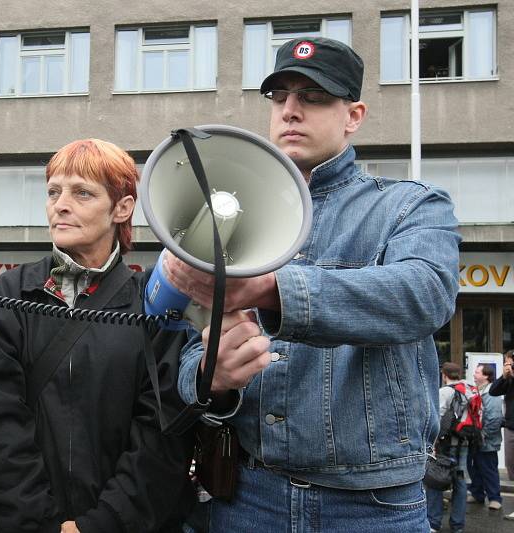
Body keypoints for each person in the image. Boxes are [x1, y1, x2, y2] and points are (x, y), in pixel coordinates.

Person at [166, 37, 461, 531]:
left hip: (374, 506)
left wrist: (271, 289)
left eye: (313, 97)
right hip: (248, 497)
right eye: (279, 98)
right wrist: (210, 379)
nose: (290, 111)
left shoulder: (412, 205)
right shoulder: (228, 219)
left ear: (354, 115)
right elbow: (187, 344)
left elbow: (424, 293)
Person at [0, 139, 195, 532]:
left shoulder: (153, 302)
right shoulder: (7, 294)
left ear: (122, 207)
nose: (60, 205)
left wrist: (103, 524)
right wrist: (35, 523)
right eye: (54, 192)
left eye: (82, 192)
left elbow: (162, 431)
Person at [425, 362, 473, 533]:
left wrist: (432, 443)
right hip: (464, 442)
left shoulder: (444, 391)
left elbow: (436, 419)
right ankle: (458, 525)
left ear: (444, 375)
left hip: (445, 444)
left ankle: (434, 522)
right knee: (460, 480)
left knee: (436, 478)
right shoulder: (470, 389)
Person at [466, 363, 503, 510]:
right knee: (474, 467)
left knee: (488, 468)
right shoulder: (478, 391)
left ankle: (495, 499)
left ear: (486, 376)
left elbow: (494, 419)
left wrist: (483, 435)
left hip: (486, 440)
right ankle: (477, 494)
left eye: (477, 372)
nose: (474, 375)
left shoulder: (492, 393)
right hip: (476, 439)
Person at [489, 350, 514, 520]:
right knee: (512, 466)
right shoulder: (509, 380)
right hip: (511, 428)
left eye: (509, 363)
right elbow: (493, 391)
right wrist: (504, 377)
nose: (507, 366)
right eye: (506, 363)